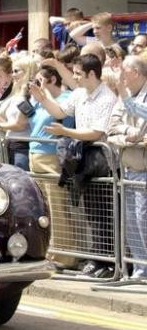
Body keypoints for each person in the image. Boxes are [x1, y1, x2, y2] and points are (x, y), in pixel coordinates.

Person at [30, 54, 117, 277]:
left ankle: (107, 262)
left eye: (78, 73)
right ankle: (96, 259)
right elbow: (59, 112)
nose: (74, 77)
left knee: (103, 212)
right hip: (83, 157)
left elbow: (96, 132)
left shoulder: (107, 97)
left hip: (101, 158)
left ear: (91, 74)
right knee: (91, 212)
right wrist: (43, 99)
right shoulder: (79, 93)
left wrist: (65, 131)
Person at [28, 65, 77, 269]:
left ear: (53, 80)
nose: (37, 84)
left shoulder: (66, 98)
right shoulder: (38, 101)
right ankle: (48, 250)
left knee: (57, 207)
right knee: (43, 209)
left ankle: (64, 257)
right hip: (35, 154)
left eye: (40, 80)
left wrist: (44, 97)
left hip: (52, 156)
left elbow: (61, 116)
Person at [108, 56, 147, 279]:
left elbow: (137, 110)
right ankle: (140, 270)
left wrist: (121, 88)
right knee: (131, 221)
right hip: (127, 168)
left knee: (143, 220)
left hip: (144, 168)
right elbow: (111, 128)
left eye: (125, 70)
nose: (121, 74)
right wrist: (127, 134)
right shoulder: (124, 97)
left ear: (136, 72)